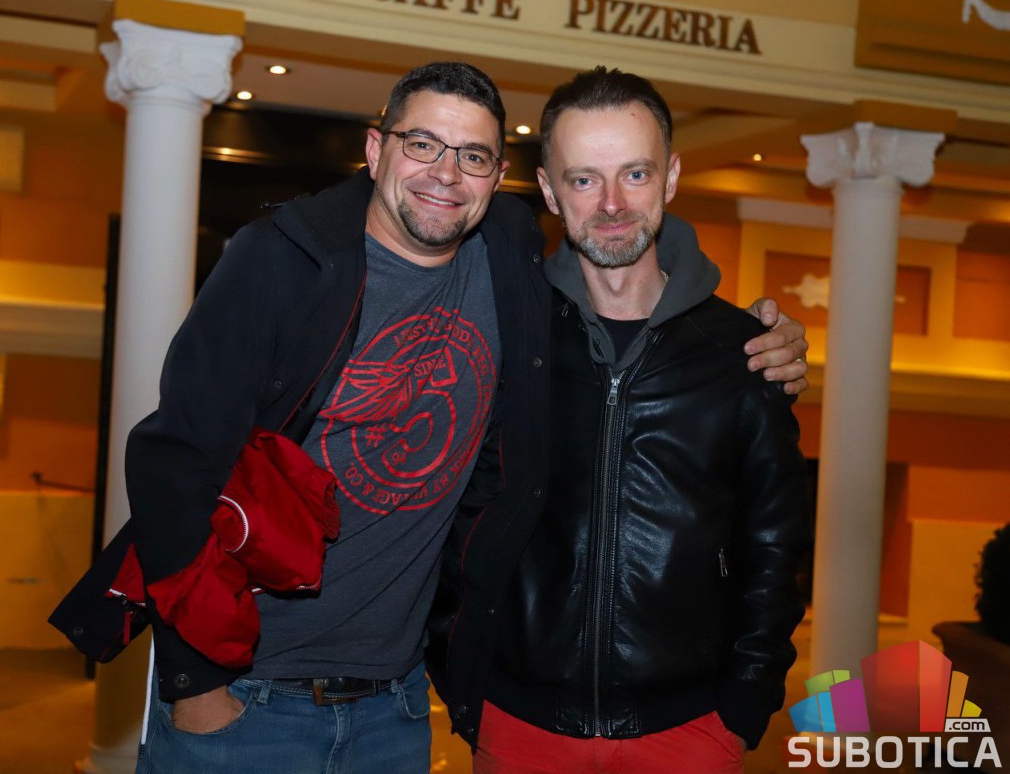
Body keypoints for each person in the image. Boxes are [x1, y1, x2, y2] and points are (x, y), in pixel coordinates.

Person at [123, 62, 808, 774]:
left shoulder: (523, 279)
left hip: (403, 708)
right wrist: (194, 682)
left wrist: (747, 701)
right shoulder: (301, 263)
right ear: (375, 150)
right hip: (261, 694)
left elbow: (774, 541)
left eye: (473, 156)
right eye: (422, 144)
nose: (446, 174)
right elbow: (175, 464)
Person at [430, 67, 812, 774]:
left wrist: (745, 702)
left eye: (634, 174)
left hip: (690, 729)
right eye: (584, 179)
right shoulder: (502, 336)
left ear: (670, 178)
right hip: (518, 722)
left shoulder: (744, 353)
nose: (611, 204)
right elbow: (446, 510)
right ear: (549, 191)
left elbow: (775, 546)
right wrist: (463, 672)